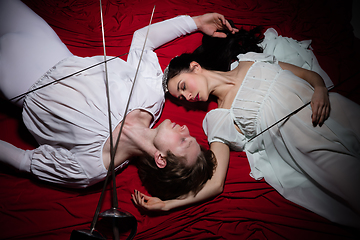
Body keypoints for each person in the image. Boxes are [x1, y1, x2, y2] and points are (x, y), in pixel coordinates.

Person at [0, 0, 239, 200]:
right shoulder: (152, 95)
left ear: (161, 159)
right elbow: (142, 39)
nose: (187, 129)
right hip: (46, 46)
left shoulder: (90, 168)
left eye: (184, 141)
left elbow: (24, 161)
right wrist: (195, 22)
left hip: (14, 81)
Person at [133, 25, 360, 228]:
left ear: (195, 67)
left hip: (333, 110)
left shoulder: (249, 60)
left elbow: (308, 75)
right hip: (312, 149)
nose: (188, 96)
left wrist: (320, 89)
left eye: (183, 86)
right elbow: (215, 183)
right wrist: (167, 205)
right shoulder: (218, 118)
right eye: (181, 97)